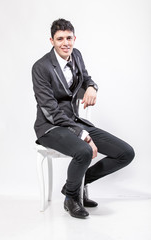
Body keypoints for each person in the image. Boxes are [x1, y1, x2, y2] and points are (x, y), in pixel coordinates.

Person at [32, 18, 135, 219]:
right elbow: (51, 111)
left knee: (126, 153)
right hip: (50, 127)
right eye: (60, 39)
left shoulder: (76, 55)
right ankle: (71, 197)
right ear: (51, 41)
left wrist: (91, 87)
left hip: (74, 121)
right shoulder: (40, 67)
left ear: (74, 38)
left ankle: (78, 183)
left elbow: (87, 78)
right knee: (84, 151)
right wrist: (83, 134)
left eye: (69, 38)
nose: (65, 43)